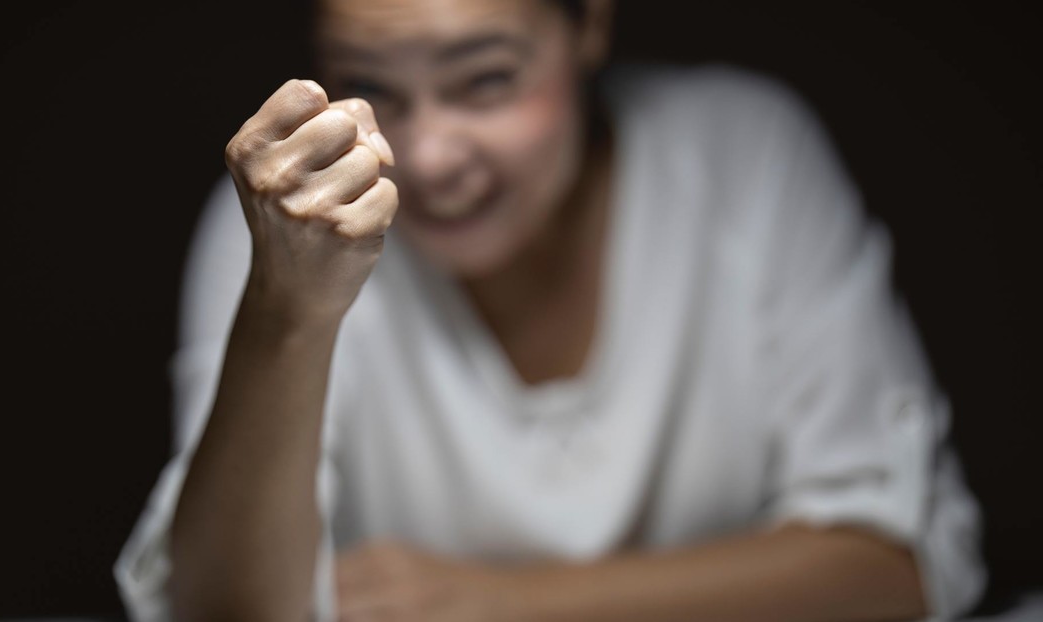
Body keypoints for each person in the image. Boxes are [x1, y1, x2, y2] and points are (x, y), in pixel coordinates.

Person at [115, 1, 986, 620]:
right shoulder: (285, 222)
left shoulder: (742, 155)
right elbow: (222, 608)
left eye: (485, 81)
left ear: (590, 25)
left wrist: (502, 603)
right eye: (371, 84)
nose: (426, 155)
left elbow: (900, 563)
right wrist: (292, 309)